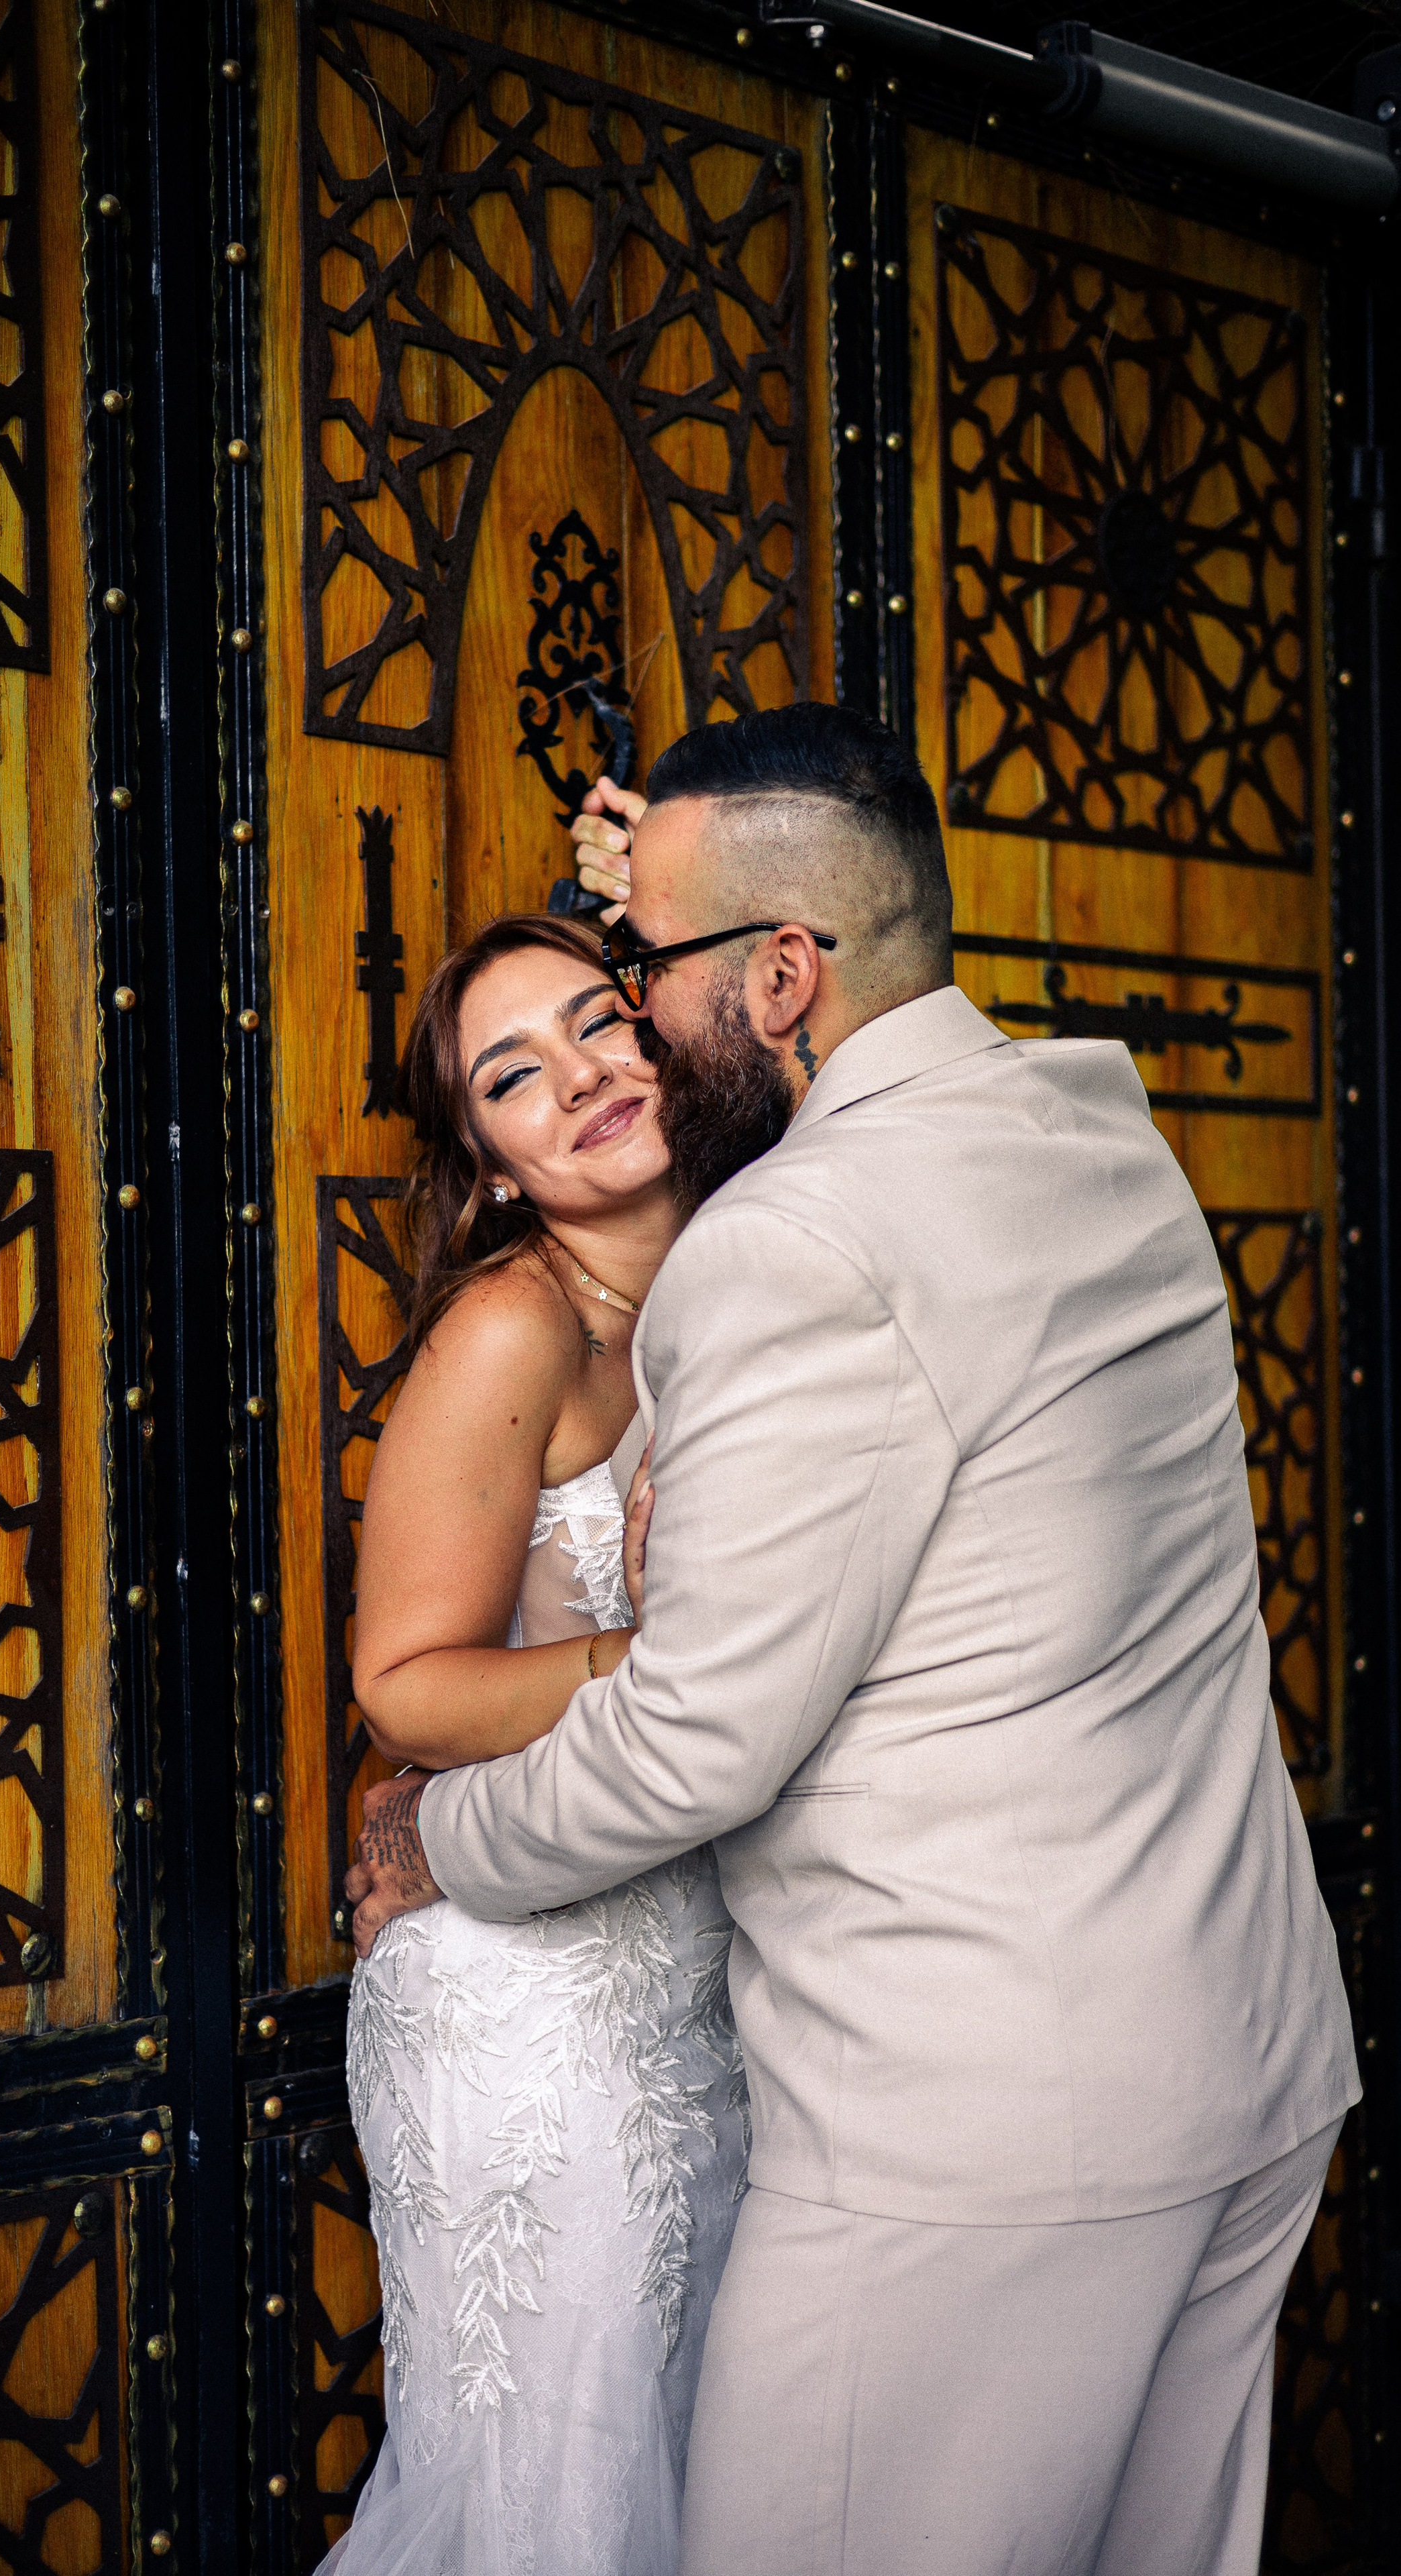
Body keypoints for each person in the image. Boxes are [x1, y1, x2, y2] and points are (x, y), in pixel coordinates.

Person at [345, 703, 1361, 2576]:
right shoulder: (1099, 1135)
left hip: (983, 2139)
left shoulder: (790, 1245)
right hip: (1247, 2062)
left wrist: (448, 1843)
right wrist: (697, 897)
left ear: (788, 972)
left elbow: (699, 1744)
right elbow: (824, 916)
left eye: (633, 981)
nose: (625, 1026)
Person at [324, 912, 747, 2576]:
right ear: (488, 1163)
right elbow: (406, 1686)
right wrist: (671, 1657)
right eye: (514, 1076)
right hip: (526, 2014)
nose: (578, 1081)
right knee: (548, 2512)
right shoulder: (516, 1328)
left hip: (695, 1978)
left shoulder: (749, 1256)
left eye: (599, 1026)